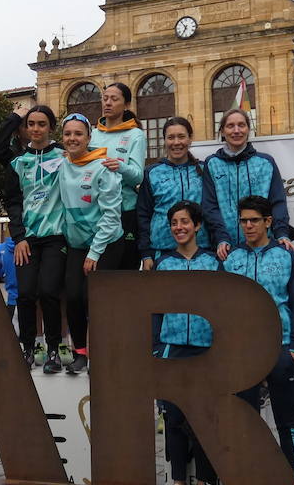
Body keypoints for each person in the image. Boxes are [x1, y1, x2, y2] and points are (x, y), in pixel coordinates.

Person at [223, 195, 294, 482]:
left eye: (254, 220)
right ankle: (251, 483)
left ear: (268, 222)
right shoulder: (232, 259)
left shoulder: (286, 255)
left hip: (281, 349)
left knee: (289, 423)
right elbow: (219, 307)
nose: (248, 226)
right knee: (246, 423)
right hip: (243, 354)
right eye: (244, 221)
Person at [152, 201, 221, 485]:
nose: (178, 228)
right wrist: (156, 349)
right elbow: (154, 309)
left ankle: (207, 480)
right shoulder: (163, 263)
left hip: (206, 348)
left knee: (206, 417)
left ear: (197, 226)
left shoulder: (213, 262)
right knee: (175, 417)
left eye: (184, 222)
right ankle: (178, 480)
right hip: (173, 348)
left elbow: (223, 306)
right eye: (174, 223)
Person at [0, 104, 66, 368]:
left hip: (57, 237)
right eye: (31, 124)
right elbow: (13, 201)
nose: (35, 129)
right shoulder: (18, 161)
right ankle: (28, 347)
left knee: (49, 292)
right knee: (24, 294)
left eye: (41, 124)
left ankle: (55, 349)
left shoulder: (63, 155)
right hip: (27, 239)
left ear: (51, 128)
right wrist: (19, 236)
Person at [52, 113, 121, 375]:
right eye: (68, 134)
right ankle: (80, 352)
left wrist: (95, 252)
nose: (72, 139)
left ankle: (103, 353)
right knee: (73, 297)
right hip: (77, 245)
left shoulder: (103, 166)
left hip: (106, 243)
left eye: (78, 134)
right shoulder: (61, 164)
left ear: (88, 138)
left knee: (97, 300)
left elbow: (112, 216)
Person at [203, 108, 294, 261]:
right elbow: (210, 206)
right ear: (222, 132)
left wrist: (282, 233)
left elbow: (277, 202)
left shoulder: (265, 162)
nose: (236, 130)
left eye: (241, 125)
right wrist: (221, 238)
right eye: (230, 126)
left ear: (248, 129)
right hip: (226, 250)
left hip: (262, 247)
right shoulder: (212, 164)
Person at [137, 117, 207, 270]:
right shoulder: (152, 172)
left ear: (190, 139)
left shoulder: (204, 170)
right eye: (171, 137)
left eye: (181, 136)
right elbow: (143, 214)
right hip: (161, 250)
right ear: (165, 140)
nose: (176, 142)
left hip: (200, 251)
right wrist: (146, 254)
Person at [90, 82, 146, 270]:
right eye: (105, 98)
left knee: (125, 270)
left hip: (126, 211)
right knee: (102, 270)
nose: (108, 103)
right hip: (99, 212)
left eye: (114, 99)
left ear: (127, 104)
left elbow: (137, 177)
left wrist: (120, 167)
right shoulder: (93, 134)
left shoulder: (136, 134)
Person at [0, 235, 19, 321]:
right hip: (31, 294)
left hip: (12, 297)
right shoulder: (32, 246)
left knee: (7, 326)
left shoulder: (1, 248)